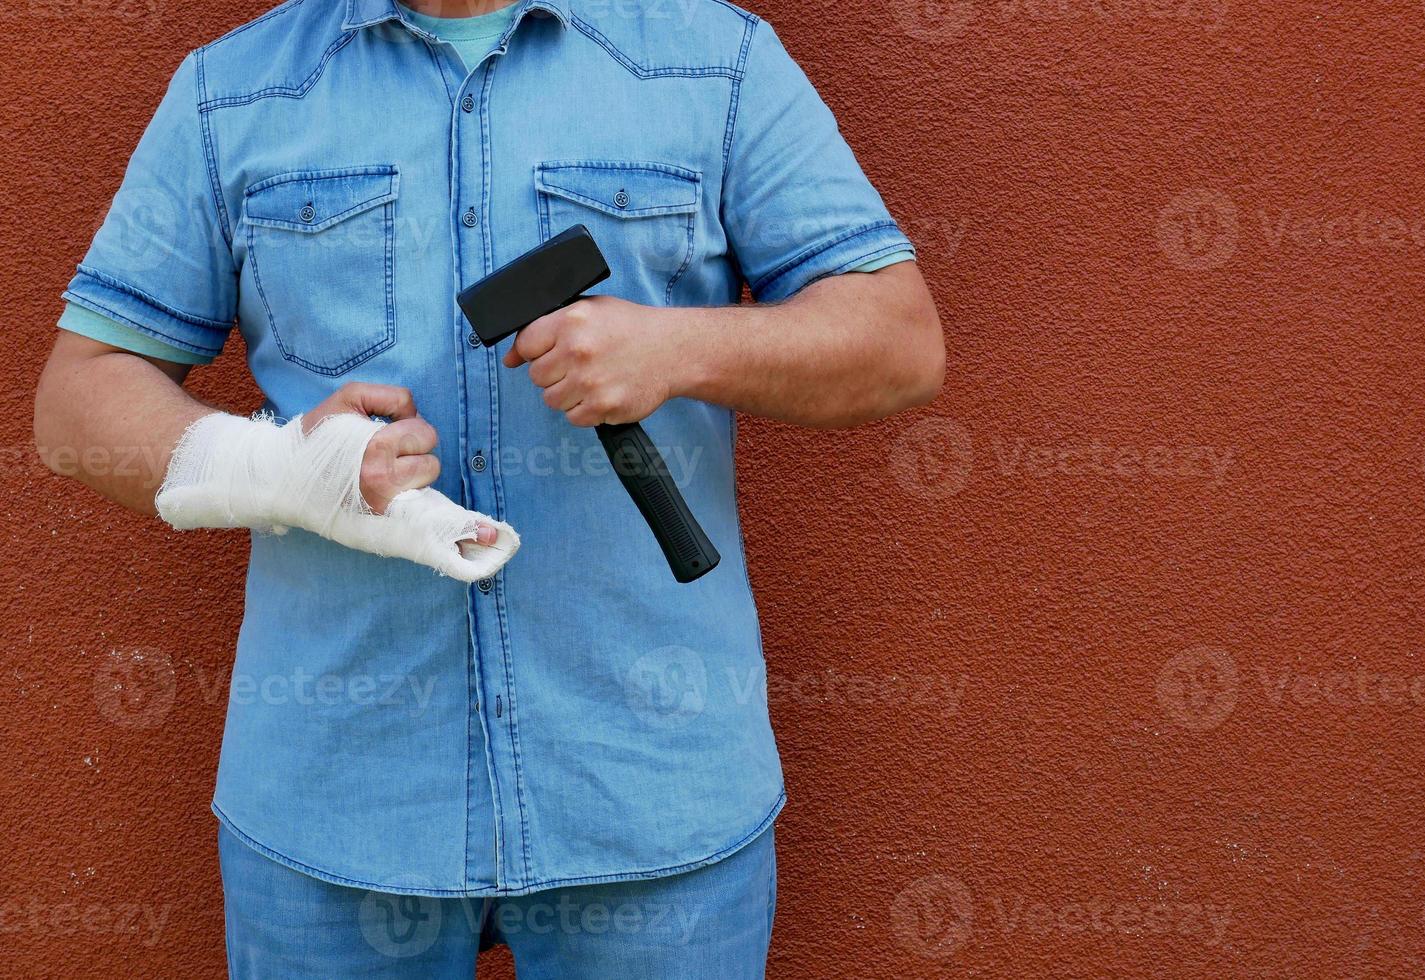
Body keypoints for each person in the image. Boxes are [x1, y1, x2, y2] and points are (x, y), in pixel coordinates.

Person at [33, 0, 945, 975]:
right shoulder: (233, 93)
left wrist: (682, 345)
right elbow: (77, 400)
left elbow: (898, 338)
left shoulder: (714, 63)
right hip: (338, 810)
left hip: (648, 797)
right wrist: (284, 471)